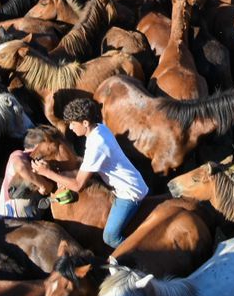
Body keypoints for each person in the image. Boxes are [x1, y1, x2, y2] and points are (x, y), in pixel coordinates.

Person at [29, 98, 148, 248]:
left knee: (110, 237)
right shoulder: (99, 129)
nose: (70, 127)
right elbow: (84, 163)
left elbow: (78, 185)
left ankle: (139, 255)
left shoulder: (96, 144)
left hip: (130, 193)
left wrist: (47, 173)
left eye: (73, 123)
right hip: (129, 182)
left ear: (85, 123)